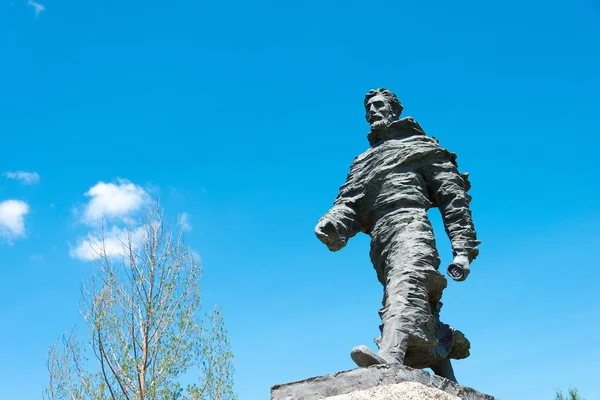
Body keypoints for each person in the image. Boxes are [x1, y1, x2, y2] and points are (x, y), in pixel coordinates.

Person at [315, 88, 480, 383]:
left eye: (379, 105)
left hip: (411, 224)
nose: (372, 111)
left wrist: (462, 250)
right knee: (409, 297)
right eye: (368, 107)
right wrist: (332, 224)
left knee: (408, 284)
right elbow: (350, 203)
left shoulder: (421, 147)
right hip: (380, 236)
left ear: (395, 110)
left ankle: (390, 355)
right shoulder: (362, 161)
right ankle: (442, 358)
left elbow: (452, 198)